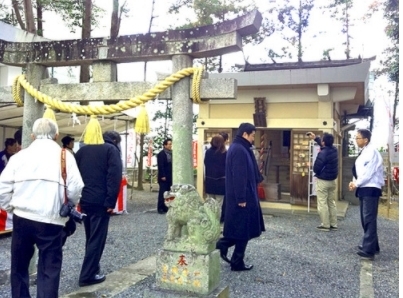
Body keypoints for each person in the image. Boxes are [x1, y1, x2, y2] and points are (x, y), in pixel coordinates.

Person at [0, 118, 84, 298]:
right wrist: (69, 205)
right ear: (56, 135)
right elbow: (76, 187)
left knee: (19, 266)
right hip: (51, 219)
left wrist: (11, 208)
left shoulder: (19, 156)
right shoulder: (65, 156)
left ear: (32, 136)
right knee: (49, 268)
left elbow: (3, 187)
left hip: (22, 217)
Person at [216, 123, 265, 271]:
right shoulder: (239, 150)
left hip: (244, 195)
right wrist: (241, 198)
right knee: (242, 229)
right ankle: (228, 252)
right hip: (242, 197)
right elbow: (239, 176)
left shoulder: (240, 148)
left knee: (242, 229)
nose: (252, 139)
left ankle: (230, 254)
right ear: (245, 134)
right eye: (252, 135)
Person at [75, 131, 122, 287]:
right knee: (97, 239)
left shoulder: (82, 150)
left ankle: (93, 269)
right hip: (101, 201)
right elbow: (114, 177)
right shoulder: (111, 150)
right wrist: (110, 202)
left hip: (85, 199)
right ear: (115, 140)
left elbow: (75, 175)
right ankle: (87, 275)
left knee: (90, 237)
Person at [349, 129, 384, 260]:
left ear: (365, 140)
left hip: (371, 187)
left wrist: (356, 183)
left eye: (358, 138)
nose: (356, 140)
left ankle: (369, 250)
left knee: (368, 218)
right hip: (364, 187)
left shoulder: (372, 152)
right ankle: (373, 245)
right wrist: (354, 183)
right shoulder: (364, 152)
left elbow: (368, 173)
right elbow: (358, 172)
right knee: (365, 219)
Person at [307, 132, 339, 232]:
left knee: (322, 203)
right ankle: (333, 224)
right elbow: (324, 145)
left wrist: (311, 165)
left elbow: (316, 168)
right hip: (332, 180)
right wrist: (315, 138)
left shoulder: (323, 153)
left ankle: (325, 225)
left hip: (323, 180)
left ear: (324, 142)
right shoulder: (334, 150)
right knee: (331, 202)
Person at [204, 135, 227, 222]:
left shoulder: (208, 152)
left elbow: (206, 164)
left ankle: (209, 221)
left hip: (209, 180)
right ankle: (216, 222)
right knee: (219, 204)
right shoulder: (224, 153)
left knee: (210, 203)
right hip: (221, 181)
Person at [156, 138, 172, 214]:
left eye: (171, 144)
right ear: (165, 145)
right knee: (163, 192)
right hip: (164, 176)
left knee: (168, 192)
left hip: (169, 176)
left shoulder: (171, 153)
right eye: (169, 144)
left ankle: (166, 207)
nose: (170, 145)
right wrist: (162, 175)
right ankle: (160, 207)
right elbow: (160, 165)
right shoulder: (161, 154)